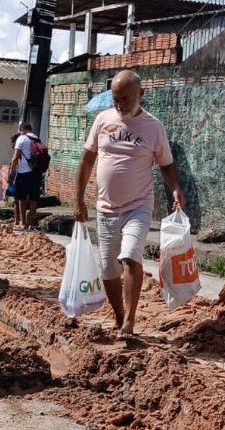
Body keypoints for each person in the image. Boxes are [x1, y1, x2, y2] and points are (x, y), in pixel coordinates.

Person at [74, 70, 185, 340]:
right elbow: (87, 160)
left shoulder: (153, 126)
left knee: (130, 256)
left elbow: (167, 165)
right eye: (115, 99)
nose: (120, 104)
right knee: (108, 269)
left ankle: (130, 323)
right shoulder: (102, 120)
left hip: (138, 206)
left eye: (125, 98)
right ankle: (119, 315)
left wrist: (176, 189)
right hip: (105, 208)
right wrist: (78, 199)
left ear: (140, 95)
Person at [8, 122, 42, 230]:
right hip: (36, 173)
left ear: (23, 130)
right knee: (33, 199)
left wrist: (12, 173)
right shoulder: (37, 139)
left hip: (24, 173)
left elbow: (15, 157)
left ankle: (23, 222)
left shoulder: (21, 138)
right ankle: (31, 223)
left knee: (22, 198)